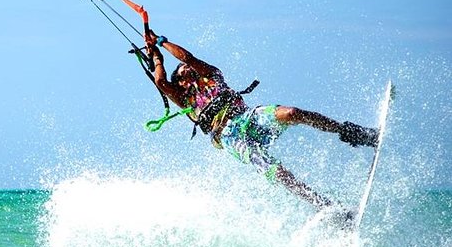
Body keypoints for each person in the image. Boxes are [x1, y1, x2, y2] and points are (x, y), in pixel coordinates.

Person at [144, 30, 378, 211]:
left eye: (188, 68)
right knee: (276, 172)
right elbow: (161, 83)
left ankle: (350, 132)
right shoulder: (186, 101)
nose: (186, 68)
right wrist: (155, 57)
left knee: (291, 113)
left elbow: (188, 56)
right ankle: (326, 207)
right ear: (180, 82)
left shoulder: (211, 74)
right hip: (229, 137)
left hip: (249, 118)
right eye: (182, 71)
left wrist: (161, 41)